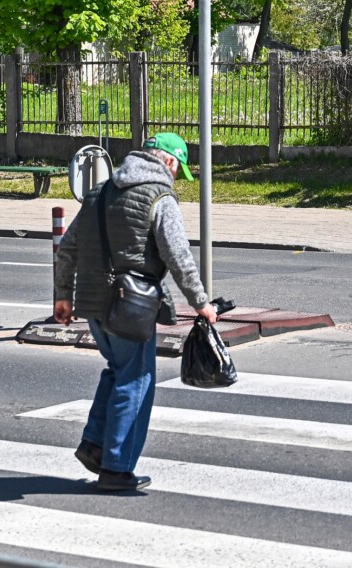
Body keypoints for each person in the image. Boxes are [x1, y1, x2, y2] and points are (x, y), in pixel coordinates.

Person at [53, 131, 217, 493]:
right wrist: (200, 302)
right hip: (132, 304)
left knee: (117, 370)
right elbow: (178, 256)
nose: (177, 179)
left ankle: (95, 445)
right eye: (179, 171)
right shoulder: (160, 196)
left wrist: (62, 296)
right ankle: (116, 468)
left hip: (93, 304)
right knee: (136, 380)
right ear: (169, 162)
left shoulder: (98, 193)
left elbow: (68, 248)